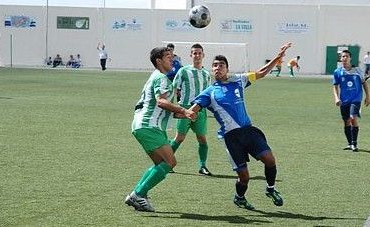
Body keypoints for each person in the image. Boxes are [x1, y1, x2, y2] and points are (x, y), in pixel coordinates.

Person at [189, 42, 292, 210]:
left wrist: (278, 57)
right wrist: (185, 113)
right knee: (244, 177)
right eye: (215, 66)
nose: (217, 68)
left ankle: (270, 189)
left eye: (221, 65)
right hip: (231, 137)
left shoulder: (238, 81)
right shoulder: (209, 92)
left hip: (248, 131)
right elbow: (193, 110)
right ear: (212, 70)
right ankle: (240, 198)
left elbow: (261, 73)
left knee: (270, 160)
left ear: (227, 69)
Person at [125, 46, 196, 212]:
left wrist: (184, 114)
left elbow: (164, 108)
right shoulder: (162, 78)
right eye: (168, 57)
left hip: (145, 125)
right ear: (159, 61)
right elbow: (161, 102)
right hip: (149, 126)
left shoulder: (158, 77)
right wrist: (183, 110)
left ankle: (138, 195)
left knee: (160, 164)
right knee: (170, 162)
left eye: (172, 57)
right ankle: (138, 194)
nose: (173, 59)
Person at [170, 43, 213, 176]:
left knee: (202, 139)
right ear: (191, 55)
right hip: (185, 108)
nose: (197, 55)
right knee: (179, 138)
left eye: (199, 53)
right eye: (194, 53)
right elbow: (174, 88)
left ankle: (203, 166)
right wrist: (173, 107)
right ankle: (166, 162)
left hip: (200, 110)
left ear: (203, 55)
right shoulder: (183, 71)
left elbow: (209, 93)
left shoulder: (206, 74)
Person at [332, 50, 370, 152]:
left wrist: (368, 97)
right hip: (344, 100)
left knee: (353, 117)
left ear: (350, 58)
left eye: (347, 56)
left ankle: (354, 144)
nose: (344, 58)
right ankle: (350, 143)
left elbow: (364, 83)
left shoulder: (357, 70)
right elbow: (335, 86)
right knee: (346, 122)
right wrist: (336, 97)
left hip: (356, 99)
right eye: (343, 56)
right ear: (340, 59)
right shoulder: (337, 72)